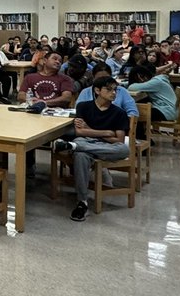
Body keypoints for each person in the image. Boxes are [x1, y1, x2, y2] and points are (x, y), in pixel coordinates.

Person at [52, 76, 131, 222]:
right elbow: (80, 132)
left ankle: (73, 147)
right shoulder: (83, 106)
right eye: (109, 89)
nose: (113, 93)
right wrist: (107, 132)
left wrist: (91, 129)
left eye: (115, 90)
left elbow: (118, 141)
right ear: (97, 90)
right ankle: (82, 202)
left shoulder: (119, 113)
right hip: (86, 140)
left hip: (104, 146)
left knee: (124, 150)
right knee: (81, 156)